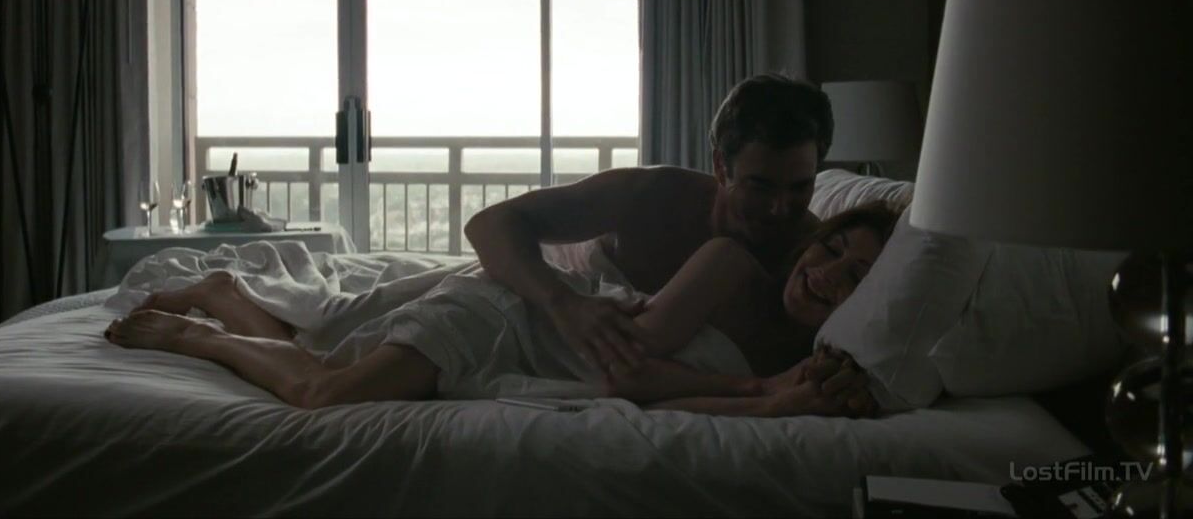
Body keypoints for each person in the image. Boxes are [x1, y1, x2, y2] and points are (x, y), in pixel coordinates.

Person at [103, 201, 900, 417]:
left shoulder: (798, 358)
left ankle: (226, 297)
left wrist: (771, 393)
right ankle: (192, 334)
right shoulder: (731, 266)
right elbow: (629, 369)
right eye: (832, 249)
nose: (827, 274)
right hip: (503, 319)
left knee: (328, 359)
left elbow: (661, 396)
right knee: (324, 390)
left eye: (856, 275)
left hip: (521, 351)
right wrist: (757, 393)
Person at [465, 73, 834, 376]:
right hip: (543, 291)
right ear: (721, 167)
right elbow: (489, 224)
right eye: (760, 186)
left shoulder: (814, 258)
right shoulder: (653, 195)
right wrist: (564, 304)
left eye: (800, 187)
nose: (780, 208)